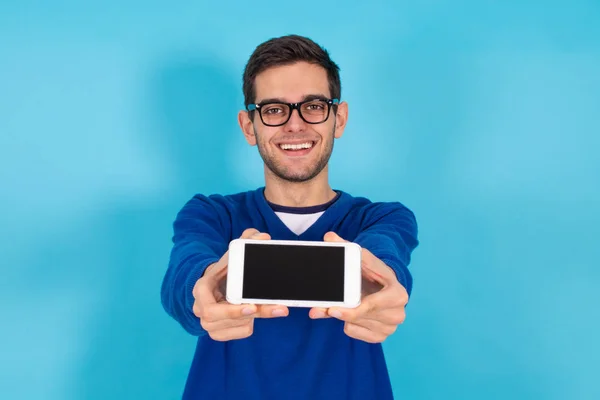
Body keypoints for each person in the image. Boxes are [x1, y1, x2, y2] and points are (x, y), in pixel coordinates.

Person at [161, 34, 419, 400]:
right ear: (249, 126)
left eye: (313, 106)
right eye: (274, 109)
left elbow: (387, 255)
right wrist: (203, 289)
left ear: (339, 118)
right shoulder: (211, 214)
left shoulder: (381, 219)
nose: (294, 125)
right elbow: (185, 269)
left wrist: (385, 284)